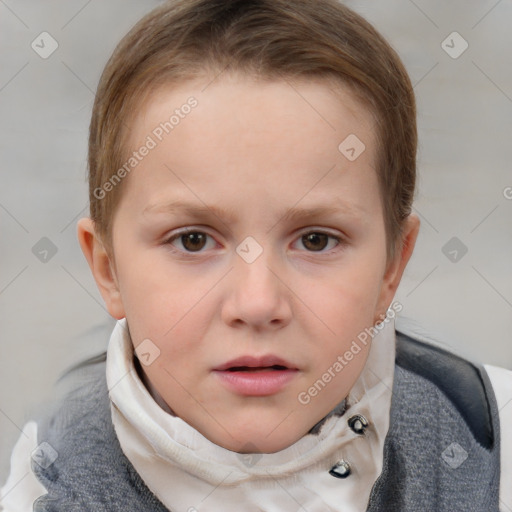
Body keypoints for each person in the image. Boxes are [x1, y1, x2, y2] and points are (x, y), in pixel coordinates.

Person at [1, 0, 511, 510]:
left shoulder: (494, 446)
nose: (258, 302)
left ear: (392, 268)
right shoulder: (50, 483)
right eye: (193, 240)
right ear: (108, 270)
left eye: (316, 240)